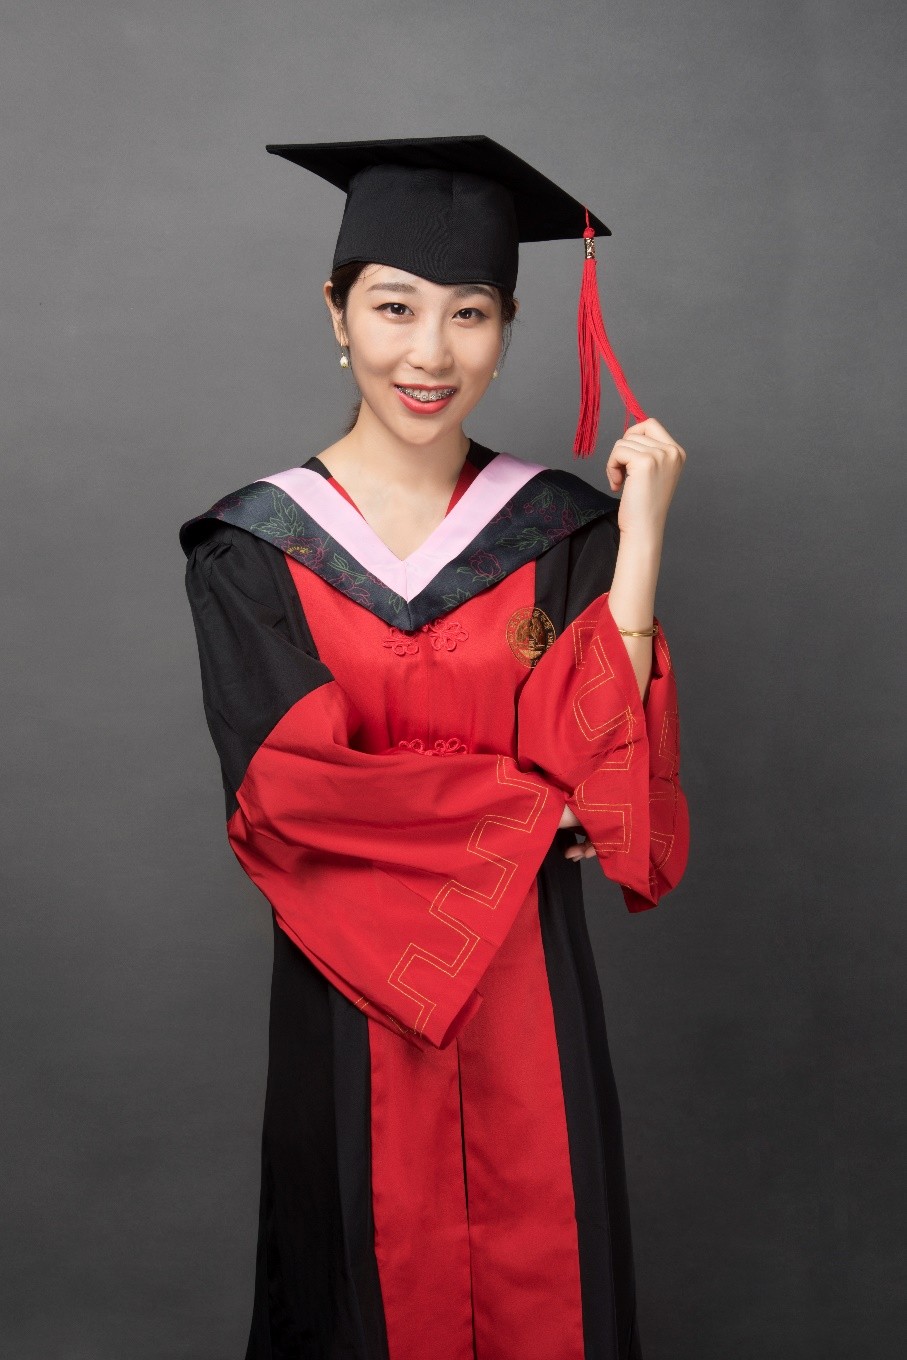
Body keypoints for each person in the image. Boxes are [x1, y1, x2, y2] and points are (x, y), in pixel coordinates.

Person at [179, 135, 689, 1360]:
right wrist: (533, 807)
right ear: (337, 314)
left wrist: (639, 544)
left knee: (547, 1278)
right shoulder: (254, 550)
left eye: (470, 313)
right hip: (349, 1004)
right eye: (394, 307)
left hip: (532, 1001)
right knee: (363, 1288)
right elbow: (291, 793)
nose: (429, 353)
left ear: (505, 331)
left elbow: (603, 773)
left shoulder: (560, 532)